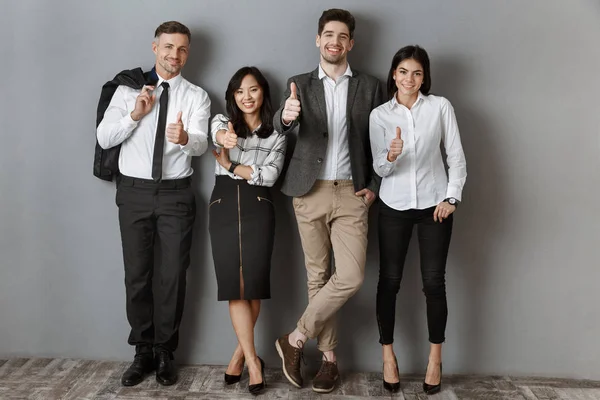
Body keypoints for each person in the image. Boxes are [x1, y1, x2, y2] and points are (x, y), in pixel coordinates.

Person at [272, 8, 383, 394]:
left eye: (342, 36)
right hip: (309, 189)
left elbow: (381, 139)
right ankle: (329, 363)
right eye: (328, 35)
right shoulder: (298, 84)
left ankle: (296, 338)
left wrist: (375, 183)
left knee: (350, 276)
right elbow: (281, 124)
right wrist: (285, 118)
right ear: (318, 40)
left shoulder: (370, 86)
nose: (334, 42)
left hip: (353, 192)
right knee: (317, 278)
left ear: (350, 43)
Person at [96, 21, 211, 387]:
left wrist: (184, 139)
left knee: (173, 275)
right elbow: (103, 135)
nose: (174, 55)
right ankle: (142, 351)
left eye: (181, 49)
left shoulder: (197, 96)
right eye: (167, 47)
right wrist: (135, 115)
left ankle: (165, 351)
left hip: (176, 192)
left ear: (187, 53)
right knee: (138, 275)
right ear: (154, 47)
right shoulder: (128, 90)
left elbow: (202, 144)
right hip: (133, 192)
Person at [369, 45, 467, 394]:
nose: (409, 79)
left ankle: (434, 358)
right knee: (389, 281)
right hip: (393, 206)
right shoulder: (380, 115)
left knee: (433, 283)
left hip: (433, 207)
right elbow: (378, 168)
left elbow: (455, 157)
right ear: (393, 74)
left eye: (417, 73)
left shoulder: (440, 107)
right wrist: (390, 156)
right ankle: (388, 356)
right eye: (403, 72)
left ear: (425, 77)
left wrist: (451, 196)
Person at [209, 66, 287, 395]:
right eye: (239, 91)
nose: (246, 97)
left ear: (263, 93)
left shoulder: (277, 136)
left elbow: (269, 177)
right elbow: (217, 136)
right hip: (224, 203)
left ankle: (240, 353)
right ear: (232, 96)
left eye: (252, 90)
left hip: (259, 205)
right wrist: (224, 140)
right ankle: (255, 362)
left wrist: (229, 165)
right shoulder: (221, 122)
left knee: (251, 285)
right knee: (233, 285)